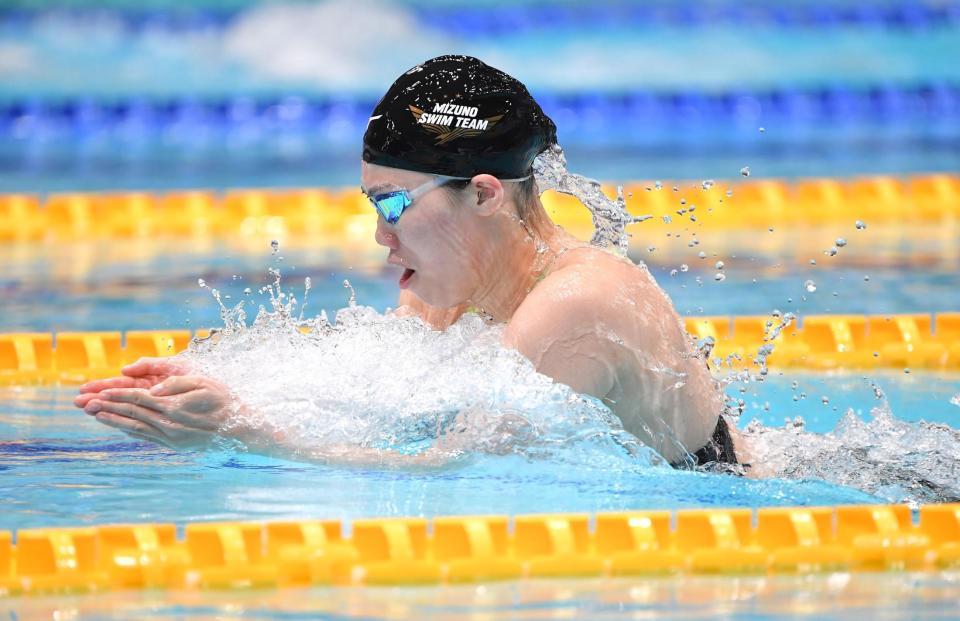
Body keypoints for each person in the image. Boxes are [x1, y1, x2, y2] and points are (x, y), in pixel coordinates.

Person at [74, 55, 742, 469]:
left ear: (483, 194)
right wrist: (213, 385)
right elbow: (386, 409)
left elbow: (454, 471)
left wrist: (245, 431)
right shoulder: (444, 288)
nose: (378, 236)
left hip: (706, 509)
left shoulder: (576, 306)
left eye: (392, 205)